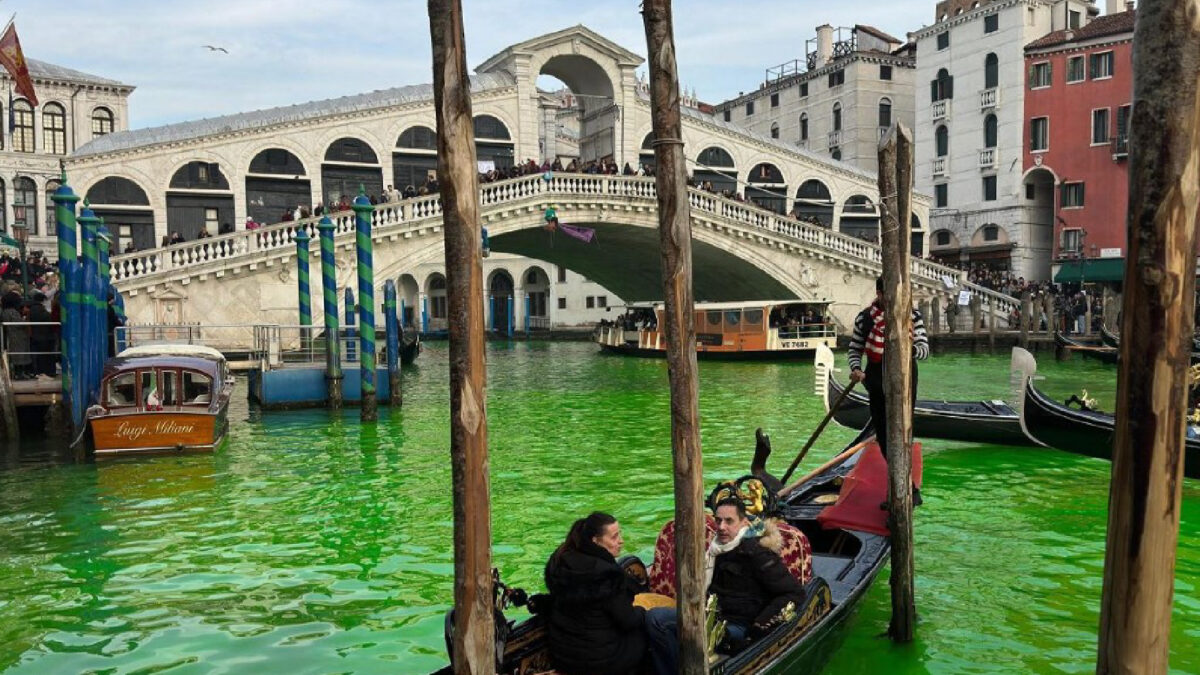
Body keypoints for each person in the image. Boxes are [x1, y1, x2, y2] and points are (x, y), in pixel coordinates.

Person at [644, 498, 806, 675]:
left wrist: (760, 624)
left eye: (729, 521)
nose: (721, 527)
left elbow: (793, 593)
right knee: (653, 617)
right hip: (709, 615)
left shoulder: (757, 553)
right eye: (718, 520)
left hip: (737, 626)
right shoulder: (715, 550)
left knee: (658, 620)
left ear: (744, 522)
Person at [847, 276, 929, 498]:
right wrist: (856, 369)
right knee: (884, 436)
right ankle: (902, 486)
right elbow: (854, 349)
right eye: (890, 294)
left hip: (906, 380)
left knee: (903, 432)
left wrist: (907, 347)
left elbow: (924, 350)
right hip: (875, 379)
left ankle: (907, 488)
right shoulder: (865, 319)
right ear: (880, 294)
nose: (895, 299)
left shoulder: (912, 316)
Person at [543, 512, 646, 675]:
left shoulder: (561, 562)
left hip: (562, 656)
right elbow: (629, 621)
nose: (621, 541)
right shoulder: (607, 575)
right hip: (600, 662)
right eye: (614, 537)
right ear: (595, 541)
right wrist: (643, 611)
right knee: (647, 635)